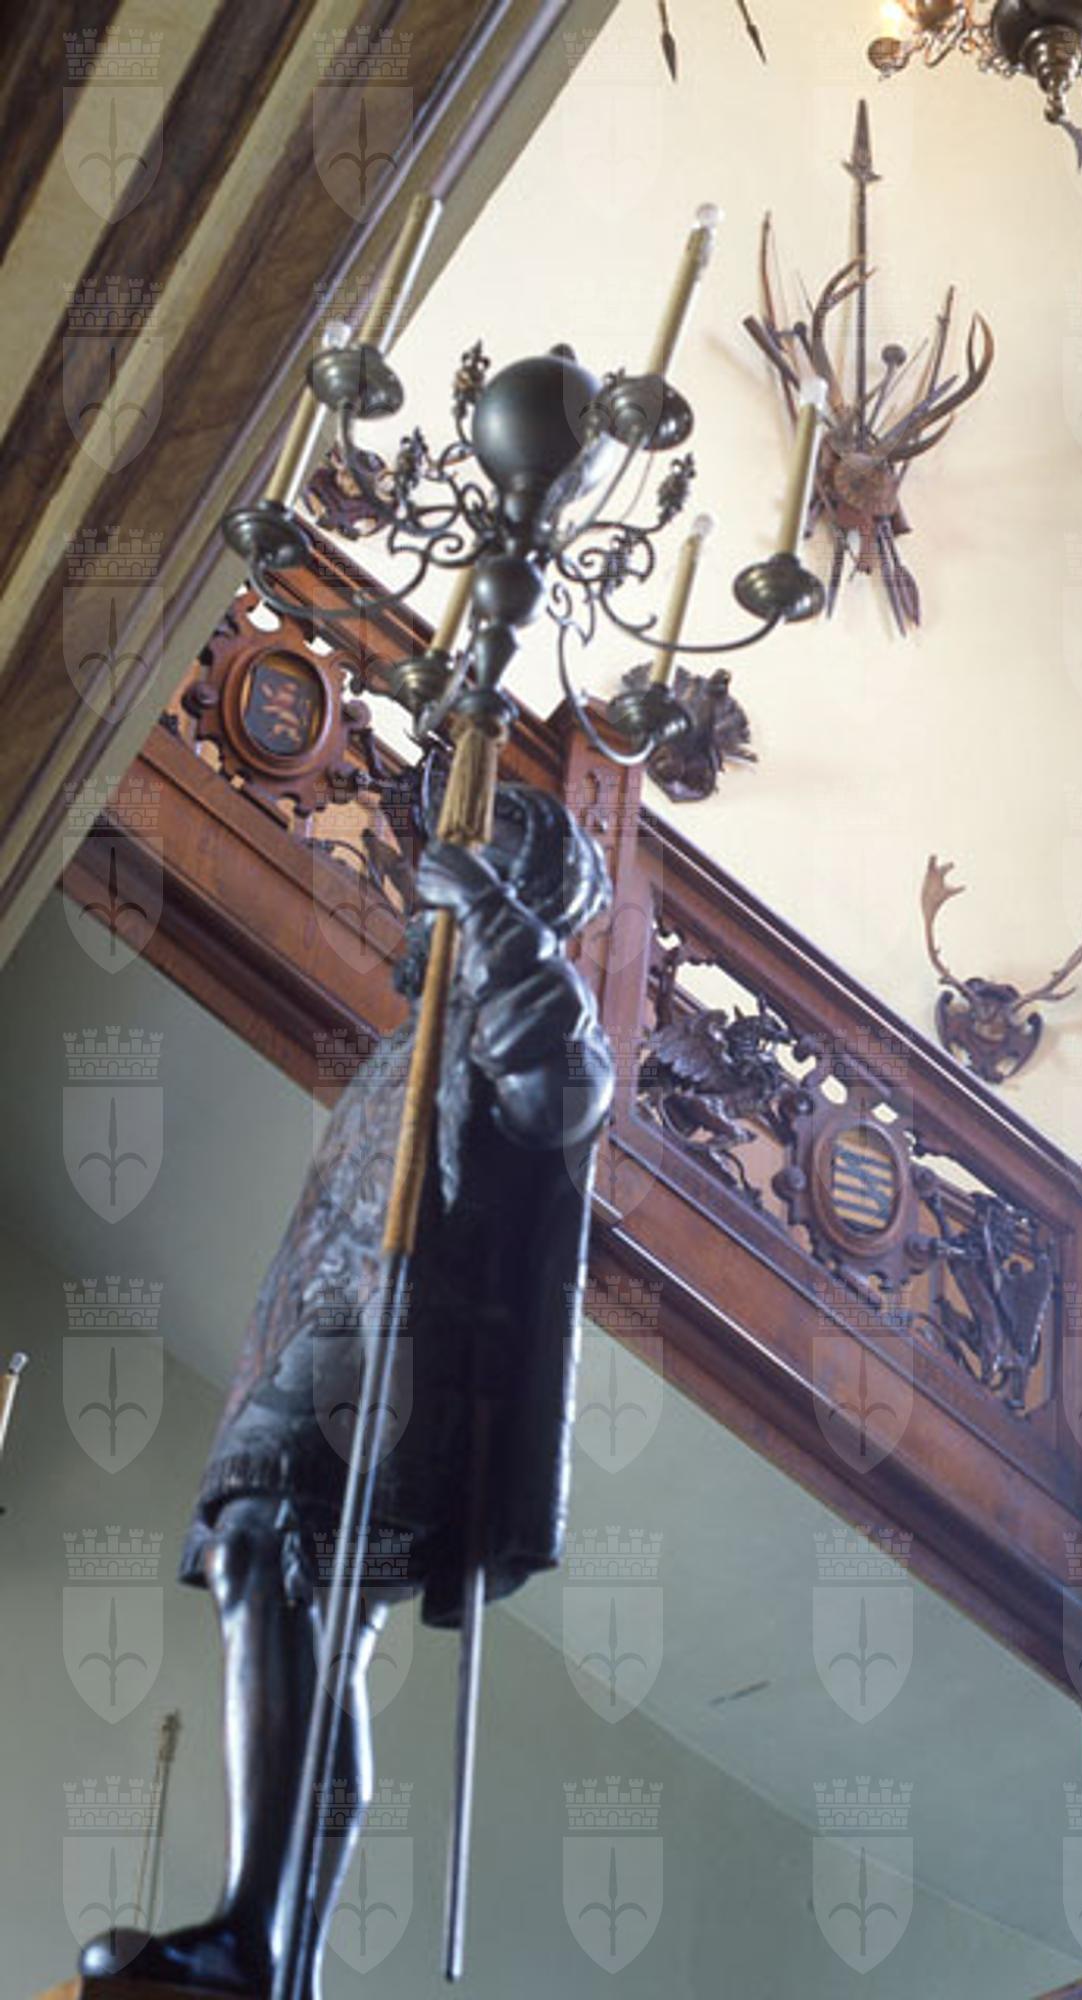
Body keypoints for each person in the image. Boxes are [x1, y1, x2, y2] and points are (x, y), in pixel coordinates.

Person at [82, 783, 614, 1997]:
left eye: (464, 867)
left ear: (519, 893)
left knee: (270, 1554)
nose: (425, 891)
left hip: (406, 1362)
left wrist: (491, 914)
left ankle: (255, 1935)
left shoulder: (527, 1002)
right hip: (330, 1335)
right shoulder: (411, 1037)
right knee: (299, 1608)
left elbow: (562, 1094)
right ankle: (279, 1956)